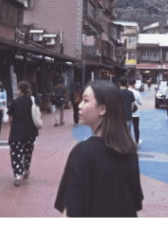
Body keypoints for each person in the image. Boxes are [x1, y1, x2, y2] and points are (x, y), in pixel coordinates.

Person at [55, 79, 144, 217]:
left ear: (102, 109)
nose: (80, 105)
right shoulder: (130, 152)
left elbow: (72, 210)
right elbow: (136, 202)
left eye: (86, 100)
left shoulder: (82, 153)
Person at [8, 80, 40, 186]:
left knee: (16, 153)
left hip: (17, 131)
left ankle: (18, 175)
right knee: (28, 152)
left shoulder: (14, 102)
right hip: (31, 132)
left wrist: (12, 126)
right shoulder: (33, 100)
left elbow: (10, 118)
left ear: (20, 90)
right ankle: (26, 170)